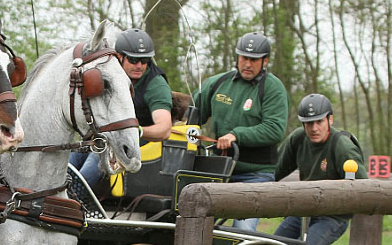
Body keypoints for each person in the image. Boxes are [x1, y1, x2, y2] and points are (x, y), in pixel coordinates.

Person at [192, 32, 289, 231]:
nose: (247, 64)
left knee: (242, 232)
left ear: (265, 61)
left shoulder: (272, 88)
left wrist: (236, 135)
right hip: (219, 169)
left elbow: (275, 129)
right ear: (237, 57)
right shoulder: (218, 83)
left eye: (254, 60)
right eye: (244, 58)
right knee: (194, 222)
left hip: (256, 173)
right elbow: (192, 113)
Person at [69, 28, 172, 188]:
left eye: (144, 60)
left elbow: (164, 129)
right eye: (133, 60)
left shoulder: (156, 85)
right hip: (102, 138)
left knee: (88, 171)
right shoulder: (109, 74)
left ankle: (75, 202)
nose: (139, 65)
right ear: (119, 57)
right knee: (69, 163)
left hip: (134, 142)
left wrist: (136, 131)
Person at [273, 93, 368, 245]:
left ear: (330, 120)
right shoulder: (298, 139)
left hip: (331, 217)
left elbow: (364, 189)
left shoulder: (342, 146)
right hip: (302, 210)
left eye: (319, 121)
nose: (314, 128)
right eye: (308, 123)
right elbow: (273, 171)